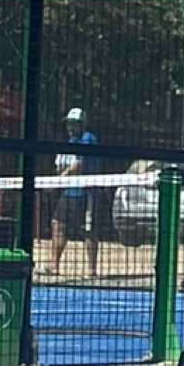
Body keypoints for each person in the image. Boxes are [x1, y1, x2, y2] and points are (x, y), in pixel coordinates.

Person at [48, 110, 103, 280]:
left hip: (87, 192)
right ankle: (53, 266)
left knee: (88, 230)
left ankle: (91, 270)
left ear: (82, 124)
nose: (70, 127)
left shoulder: (88, 139)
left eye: (74, 123)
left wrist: (59, 179)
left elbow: (79, 164)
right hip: (69, 192)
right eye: (68, 123)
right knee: (57, 223)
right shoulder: (71, 141)